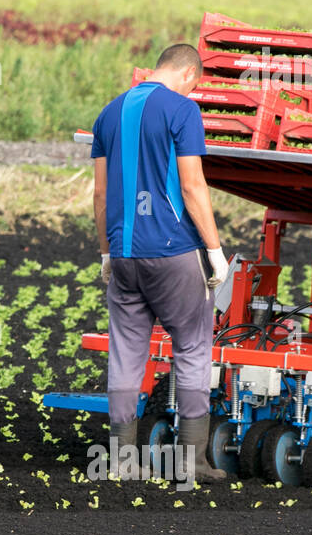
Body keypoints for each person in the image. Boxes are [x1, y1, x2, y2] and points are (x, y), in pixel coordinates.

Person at [91, 44, 229, 483]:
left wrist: (107, 252)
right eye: (197, 84)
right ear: (189, 74)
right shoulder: (183, 110)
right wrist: (213, 249)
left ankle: (120, 460)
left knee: (127, 353)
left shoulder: (108, 113)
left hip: (125, 255)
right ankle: (191, 461)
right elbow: (192, 186)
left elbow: (99, 194)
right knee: (191, 346)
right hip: (172, 251)